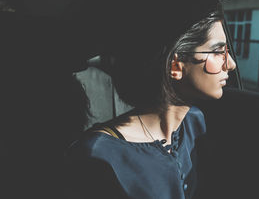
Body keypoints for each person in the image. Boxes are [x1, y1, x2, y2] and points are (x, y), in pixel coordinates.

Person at [64, 11, 236, 199]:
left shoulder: (195, 122)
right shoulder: (98, 155)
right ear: (176, 65)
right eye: (219, 51)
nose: (232, 64)